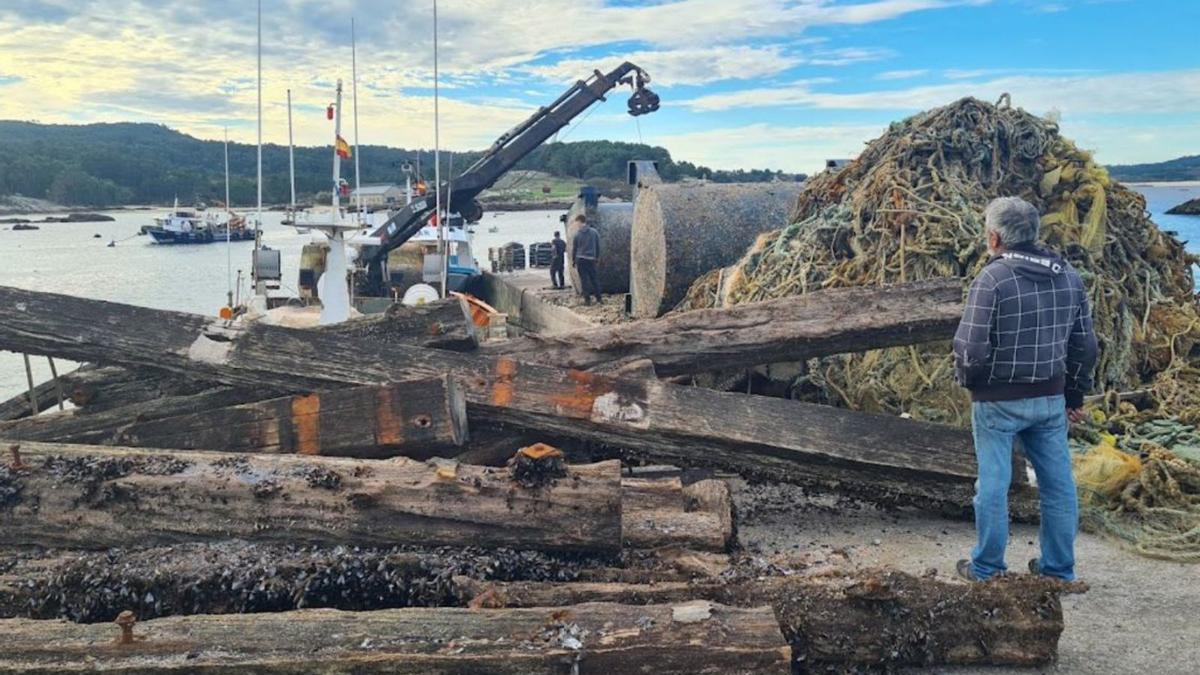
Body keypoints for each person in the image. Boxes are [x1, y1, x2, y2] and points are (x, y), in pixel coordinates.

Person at [953, 196, 1098, 583]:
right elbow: (1085, 346)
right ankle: (1058, 571)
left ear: (994, 237)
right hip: (1050, 400)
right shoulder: (1069, 276)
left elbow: (969, 347)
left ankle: (986, 569)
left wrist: (972, 384)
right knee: (1058, 486)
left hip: (997, 401)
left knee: (994, 486)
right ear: (1035, 232)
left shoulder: (992, 279)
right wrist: (1074, 395)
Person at [571, 214, 602, 305]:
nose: (577, 225)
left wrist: (573, 260)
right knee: (594, 279)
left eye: (577, 223)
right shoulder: (594, 232)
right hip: (591, 259)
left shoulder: (577, 235)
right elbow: (598, 246)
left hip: (581, 259)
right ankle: (599, 298)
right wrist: (597, 257)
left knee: (584, 280)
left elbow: (575, 249)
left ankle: (587, 300)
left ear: (580, 222)